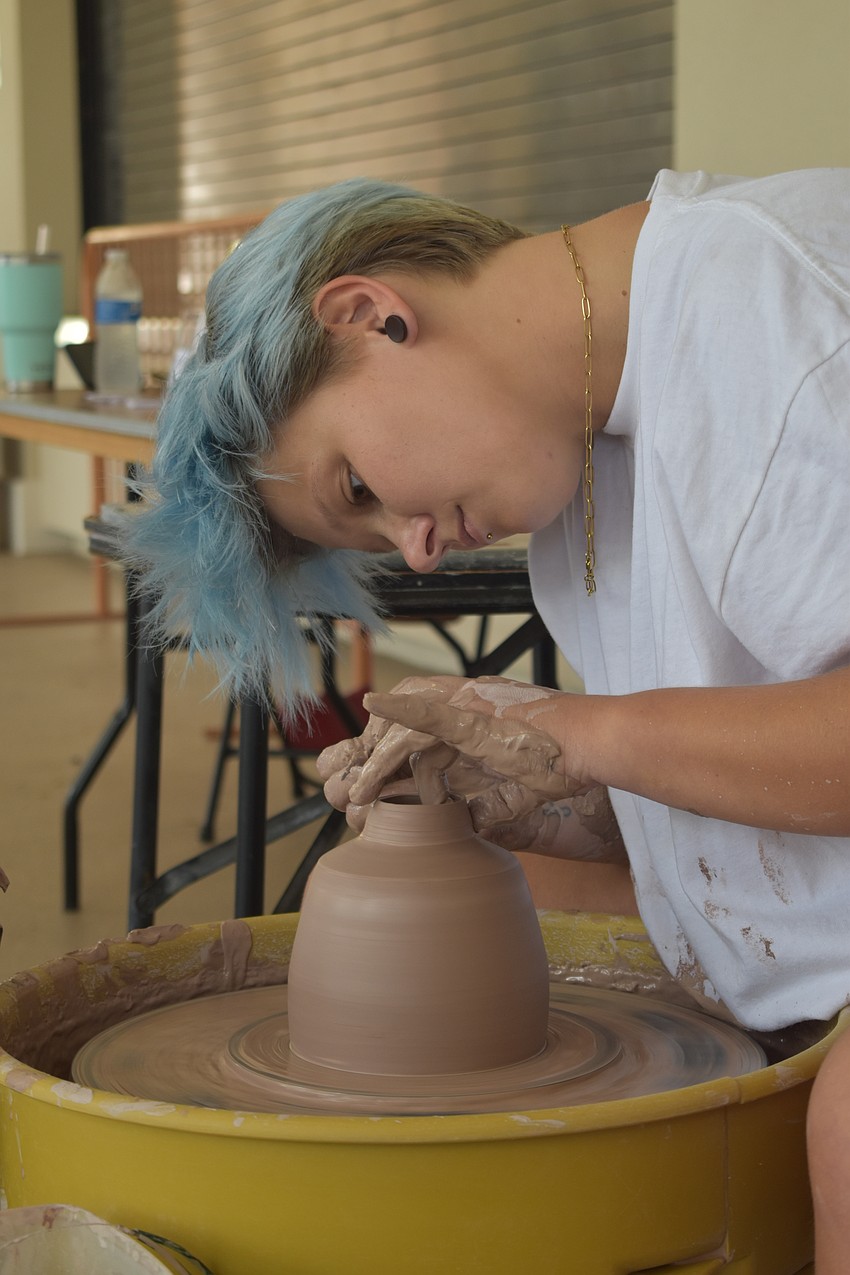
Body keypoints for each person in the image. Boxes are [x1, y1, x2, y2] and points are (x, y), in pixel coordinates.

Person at [121, 168, 850, 1269]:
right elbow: (752, 749)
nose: (416, 549)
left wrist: (576, 732)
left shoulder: (767, 317)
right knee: (517, 895)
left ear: (368, 315)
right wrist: (564, 806)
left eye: (357, 488)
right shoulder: (580, 451)